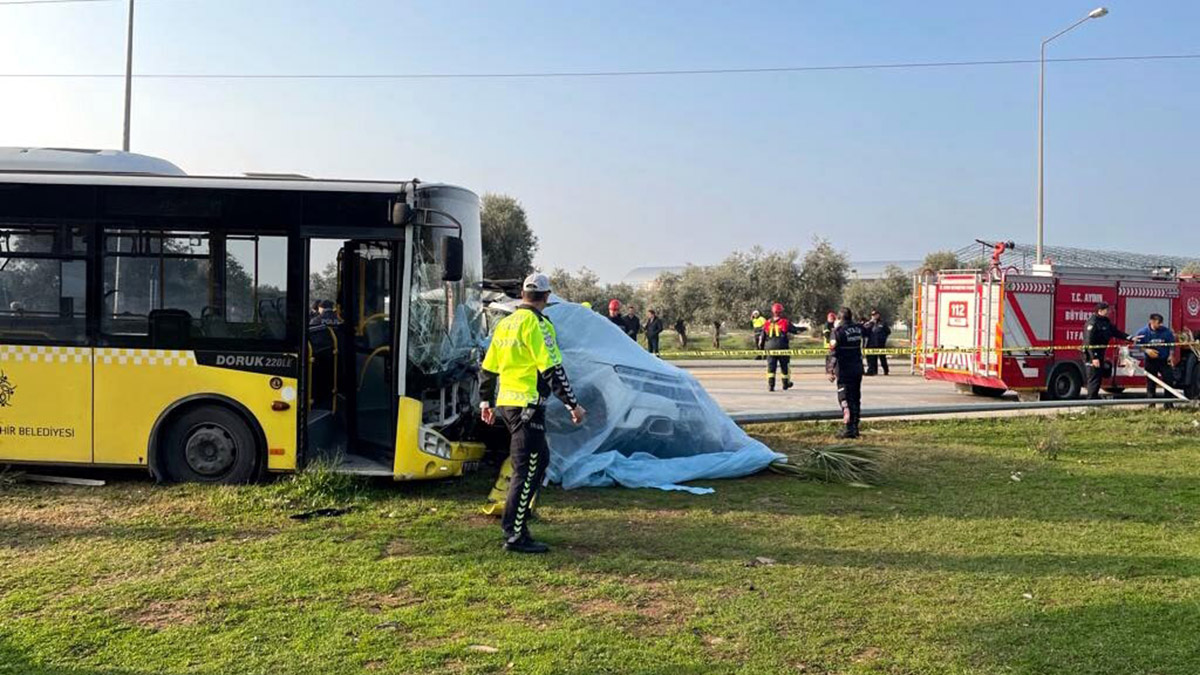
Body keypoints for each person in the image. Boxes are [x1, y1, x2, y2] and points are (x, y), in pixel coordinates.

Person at [479, 273, 587, 554]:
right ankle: (514, 534)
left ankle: (518, 519)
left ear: (524, 295)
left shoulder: (506, 323)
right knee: (526, 469)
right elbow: (552, 369)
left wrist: (485, 403)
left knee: (539, 462)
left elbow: (488, 368)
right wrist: (572, 405)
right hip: (527, 405)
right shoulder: (538, 325)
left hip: (508, 404)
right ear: (546, 297)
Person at [826, 307, 865, 439]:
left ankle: (848, 428)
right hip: (857, 368)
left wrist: (830, 370)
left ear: (839, 318)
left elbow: (833, 353)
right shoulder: (858, 329)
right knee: (856, 398)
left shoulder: (838, 332)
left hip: (844, 370)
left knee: (844, 398)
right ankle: (855, 427)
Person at [1081, 301, 1130, 400]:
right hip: (1091, 355)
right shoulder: (1092, 322)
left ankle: (1094, 398)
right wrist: (1094, 358)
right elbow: (1089, 341)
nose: (1108, 312)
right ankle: (1091, 401)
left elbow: (1116, 332)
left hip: (1100, 353)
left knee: (1098, 377)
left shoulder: (1105, 322)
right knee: (1093, 378)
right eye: (1106, 310)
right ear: (1100, 311)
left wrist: (1130, 337)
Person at [1133, 313, 1177, 404]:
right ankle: (1151, 403)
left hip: (1164, 360)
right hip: (1150, 361)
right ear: (1152, 322)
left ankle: (1168, 403)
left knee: (1168, 380)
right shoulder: (1143, 332)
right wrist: (1146, 350)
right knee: (1151, 382)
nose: (1160, 325)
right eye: (1158, 323)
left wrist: (1171, 355)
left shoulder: (1166, 332)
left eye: (1161, 323)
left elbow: (1172, 344)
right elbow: (1136, 344)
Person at [762, 302, 805, 392]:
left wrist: (761, 350)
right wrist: (804, 329)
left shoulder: (767, 323)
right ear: (781, 312)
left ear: (772, 312)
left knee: (771, 367)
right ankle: (785, 384)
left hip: (770, 348)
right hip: (782, 347)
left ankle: (771, 385)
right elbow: (795, 330)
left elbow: (762, 337)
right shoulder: (785, 322)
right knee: (784, 366)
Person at [863, 309, 892, 376]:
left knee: (882, 358)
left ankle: (886, 370)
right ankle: (873, 371)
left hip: (880, 344)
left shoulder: (882, 323)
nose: (874, 316)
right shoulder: (870, 323)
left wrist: (883, 338)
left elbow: (888, 332)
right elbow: (864, 331)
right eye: (872, 315)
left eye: (875, 315)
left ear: (878, 315)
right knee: (872, 359)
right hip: (872, 344)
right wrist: (869, 323)